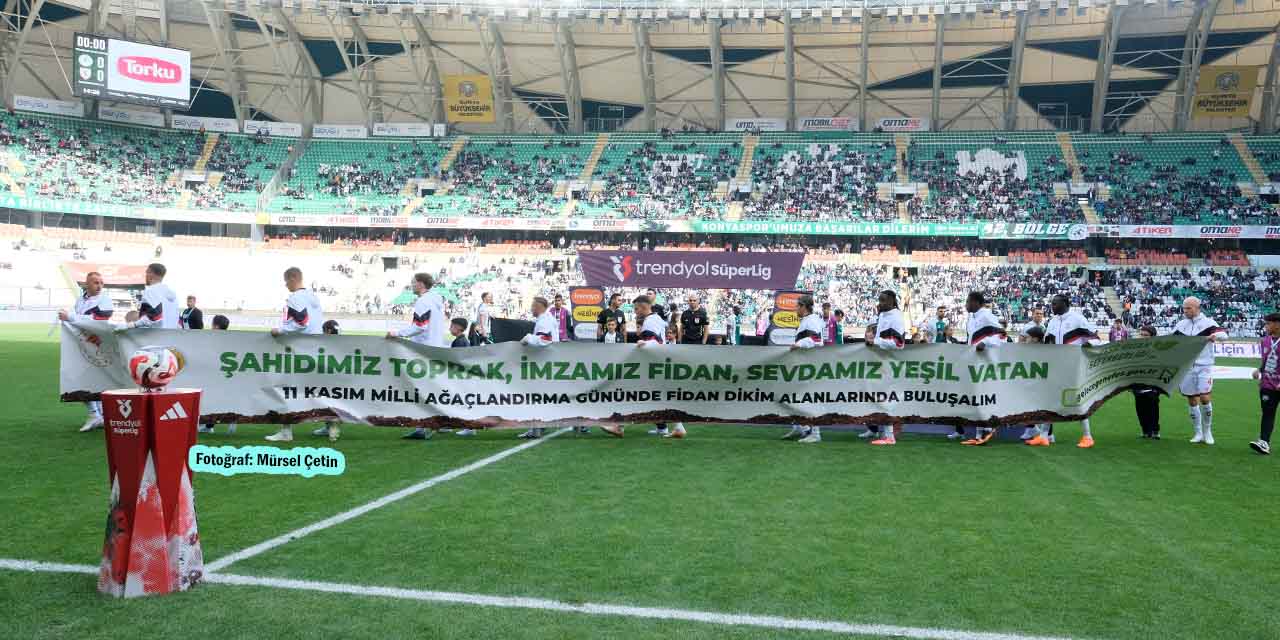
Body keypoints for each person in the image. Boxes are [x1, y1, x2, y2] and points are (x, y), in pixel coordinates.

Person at [601, 295, 684, 439]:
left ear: (644, 307)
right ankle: (677, 427)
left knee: (632, 393)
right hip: (659, 364)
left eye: (636, 308)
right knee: (658, 397)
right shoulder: (657, 319)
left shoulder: (650, 322)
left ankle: (618, 426)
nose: (635, 311)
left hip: (652, 365)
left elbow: (654, 342)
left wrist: (644, 343)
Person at [1026, 294, 1100, 449]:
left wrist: (1085, 350)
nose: (1052, 306)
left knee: (1076, 400)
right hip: (1055, 367)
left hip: (1073, 367)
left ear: (1065, 304)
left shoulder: (1078, 319)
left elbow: (1093, 339)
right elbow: (1048, 343)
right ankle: (1044, 436)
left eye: (1055, 303)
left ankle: (1088, 436)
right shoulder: (1053, 321)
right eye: (1052, 303)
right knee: (1050, 400)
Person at [266, 267, 326, 442]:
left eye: (286, 281)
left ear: (293, 279)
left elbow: (302, 323)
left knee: (286, 389)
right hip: (315, 349)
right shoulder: (313, 297)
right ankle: (331, 425)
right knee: (315, 390)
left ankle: (286, 431)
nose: (285, 285)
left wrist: (281, 330)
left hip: (299, 349)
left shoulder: (295, 298)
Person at [390, 273, 448, 441]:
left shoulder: (423, 301)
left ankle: (423, 427)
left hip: (424, 349)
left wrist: (397, 333)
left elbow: (420, 327)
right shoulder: (436, 299)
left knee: (422, 389)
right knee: (434, 388)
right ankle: (440, 422)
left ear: (421, 284)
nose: (411, 285)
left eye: (413, 282)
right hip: (435, 347)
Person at [59, 271, 113, 432]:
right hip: (82, 343)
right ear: (86, 284)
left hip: (98, 343)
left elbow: (100, 321)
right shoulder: (81, 299)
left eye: (101, 282)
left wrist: (71, 318)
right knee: (83, 376)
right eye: (96, 282)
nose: (99, 286)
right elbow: (78, 318)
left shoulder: (105, 300)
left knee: (96, 377)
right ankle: (96, 414)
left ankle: (99, 414)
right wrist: (69, 318)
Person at [1173, 296, 1229, 445]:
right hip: (1186, 367)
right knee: (1191, 399)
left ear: (1197, 308)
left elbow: (1224, 335)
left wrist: (1214, 336)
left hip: (1204, 366)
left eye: (1188, 308)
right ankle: (1197, 432)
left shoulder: (1208, 323)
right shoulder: (1181, 325)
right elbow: (1171, 340)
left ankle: (1207, 431)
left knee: (1204, 397)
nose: (1185, 311)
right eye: (1184, 308)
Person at [961, 291, 1006, 446]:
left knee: (982, 397)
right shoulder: (971, 318)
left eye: (968, 301)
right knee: (975, 397)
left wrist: (985, 343)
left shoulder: (986, 316)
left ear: (976, 302)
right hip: (974, 362)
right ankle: (979, 434)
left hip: (985, 363)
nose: (966, 304)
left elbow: (1002, 335)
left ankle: (986, 430)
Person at [782, 295, 825, 443]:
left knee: (810, 399)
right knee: (793, 397)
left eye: (797, 306)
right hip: (804, 364)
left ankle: (815, 433)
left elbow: (816, 340)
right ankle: (801, 427)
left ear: (803, 307)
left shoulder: (811, 321)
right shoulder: (808, 320)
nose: (795, 309)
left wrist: (799, 345)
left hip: (811, 365)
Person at [866, 290, 907, 446]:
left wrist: (875, 343)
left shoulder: (896, 318)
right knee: (878, 397)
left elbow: (899, 344)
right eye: (879, 300)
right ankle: (884, 432)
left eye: (883, 301)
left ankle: (890, 436)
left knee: (886, 398)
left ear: (891, 301)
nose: (880, 303)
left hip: (889, 363)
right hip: (879, 362)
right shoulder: (884, 315)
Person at [517, 297, 559, 439]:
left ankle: (536, 428)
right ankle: (538, 426)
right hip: (547, 364)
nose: (531, 308)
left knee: (536, 396)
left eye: (532, 305)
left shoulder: (544, 320)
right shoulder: (548, 319)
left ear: (539, 306)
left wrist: (528, 338)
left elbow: (545, 340)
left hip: (543, 365)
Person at [199, 315, 237, 435]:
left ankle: (211, 425)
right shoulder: (231, 339)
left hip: (215, 374)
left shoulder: (212, 338)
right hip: (226, 374)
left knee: (212, 399)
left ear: (215, 326)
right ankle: (210, 425)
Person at [1250, 312, 1280, 455]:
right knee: (1268, 413)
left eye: (1268, 323)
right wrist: (1259, 370)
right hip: (1268, 384)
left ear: (1277, 324)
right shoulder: (1265, 341)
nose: (1266, 326)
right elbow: (1266, 359)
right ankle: (1264, 442)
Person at [1132, 326, 1162, 440]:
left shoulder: (1159, 349)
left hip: (1152, 384)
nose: (1143, 337)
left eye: (1146, 335)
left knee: (1153, 409)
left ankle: (1155, 431)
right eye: (1141, 334)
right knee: (1140, 409)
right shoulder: (1135, 349)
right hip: (1138, 384)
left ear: (1152, 337)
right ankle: (1145, 431)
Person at [128, 263, 178, 329]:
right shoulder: (172, 294)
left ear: (151, 274)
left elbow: (153, 318)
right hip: (171, 334)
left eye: (147, 272)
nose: (145, 275)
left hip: (154, 335)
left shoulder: (150, 291)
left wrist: (133, 324)